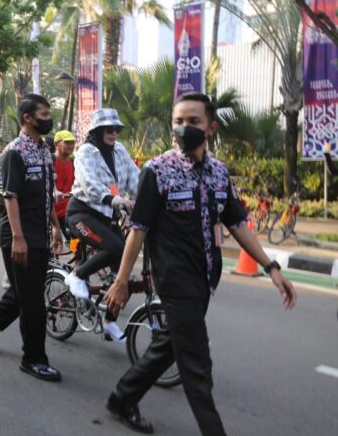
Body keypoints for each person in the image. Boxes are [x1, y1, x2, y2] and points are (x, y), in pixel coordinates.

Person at [103, 93, 297, 435]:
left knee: (170, 344)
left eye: (193, 122)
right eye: (178, 121)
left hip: (206, 278)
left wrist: (272, 268)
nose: (184, 128)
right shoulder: (157, 171)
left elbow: (237, 225)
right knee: (197, 364)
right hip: (174, 280)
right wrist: (121, 280)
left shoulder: (220, 173)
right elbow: (138, 230)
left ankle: (122, 397)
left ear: (211, 127)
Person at [0, 94, 64, 382]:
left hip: (39, 232)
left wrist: (56, 227)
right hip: (19, 235)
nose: (48, 118)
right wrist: (18, 239)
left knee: (24, 293)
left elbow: (46, 194)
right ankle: (33, 359)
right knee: (34, 302)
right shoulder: (15, 152)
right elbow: (10, 197)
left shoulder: (44, 150)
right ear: (28, 117)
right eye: (44, 113)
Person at [63, 108, 140, 342]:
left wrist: (150, 200)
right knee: (115, 247)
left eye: (117, 129)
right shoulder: (86, 152)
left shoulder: (119, 151)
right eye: (109, 129)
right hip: (82, 215)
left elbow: (136, 179)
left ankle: (110, 322)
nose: (114, 133)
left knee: (122, 274)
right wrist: (114, 199)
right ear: (97, 131)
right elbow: (89, 184)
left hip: (107, 217)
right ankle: (76, 275)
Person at [53, 129, 76, 240]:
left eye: (72, 143)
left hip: (68, 209)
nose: (71, 146)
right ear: (57, 144)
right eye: (67, 143)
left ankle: (79, 256)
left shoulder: (74, 162)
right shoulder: (49, 160)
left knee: (76, 240)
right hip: (50, 209)